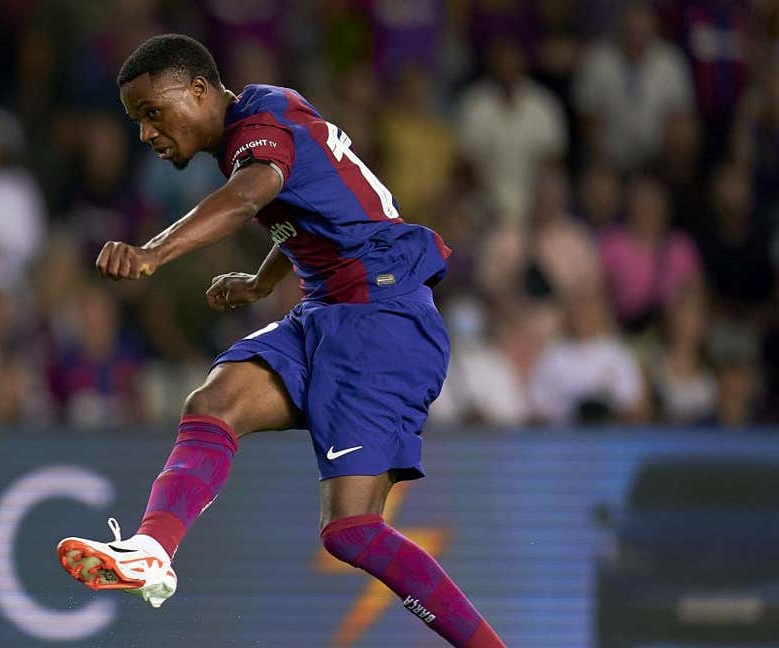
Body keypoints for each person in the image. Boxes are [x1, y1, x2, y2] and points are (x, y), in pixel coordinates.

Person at [56, 34, 505, 647]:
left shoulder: (256, 128)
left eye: (153, 113)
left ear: (198, 90)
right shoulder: (265, 117)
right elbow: (321, 201)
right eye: (137, 121)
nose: (146, 134)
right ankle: (150, 551)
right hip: (331, 307)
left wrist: (153, 253)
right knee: (213, 404)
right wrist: (263, 277)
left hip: (383, 316)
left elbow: (252, 196)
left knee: (351, 530)